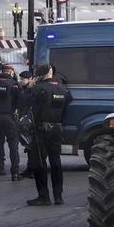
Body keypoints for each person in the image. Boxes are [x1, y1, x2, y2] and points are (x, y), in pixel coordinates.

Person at [25, 63, 71, 206]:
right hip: (57, 128)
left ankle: (43, 197)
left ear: (40, 75)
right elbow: (67, 107)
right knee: (56, 162)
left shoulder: (38, 89)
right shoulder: (64, 89)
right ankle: (58, 196)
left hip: (41, 130)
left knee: (39, 163)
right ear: (51, 72)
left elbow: (25, 104)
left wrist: (28, 89)